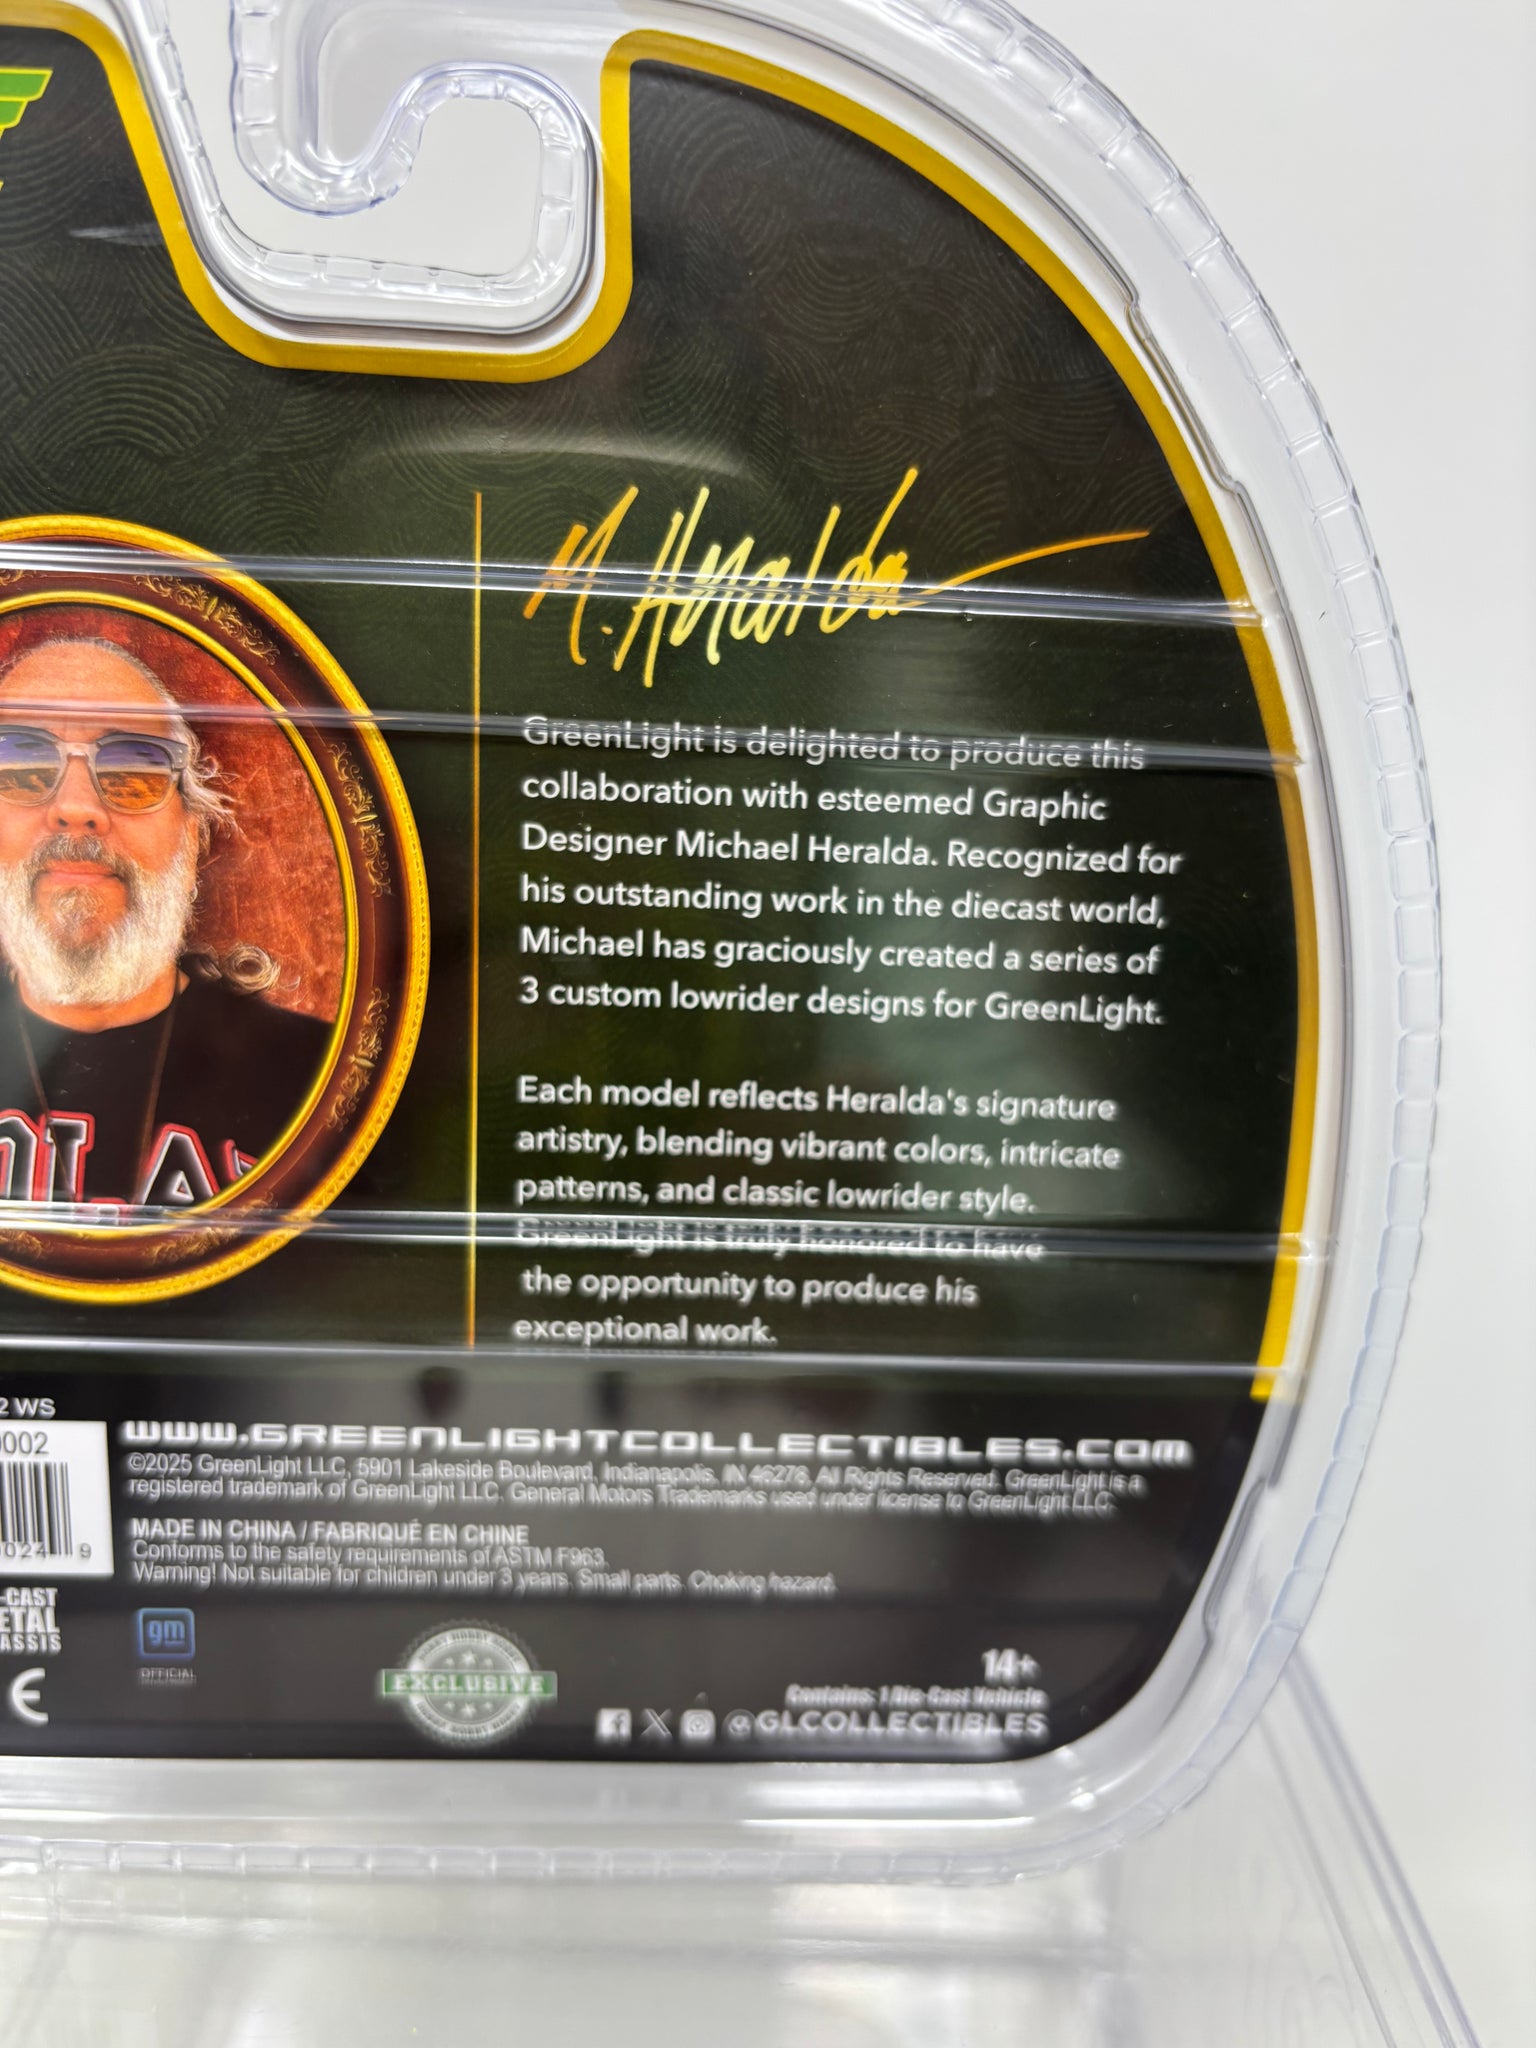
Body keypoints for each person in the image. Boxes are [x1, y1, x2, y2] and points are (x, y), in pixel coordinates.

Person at [0, 636, 330, 1212]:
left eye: (134, 769)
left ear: (192, 837)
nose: (77, 808)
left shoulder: (322, 1076)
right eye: (22, 767)